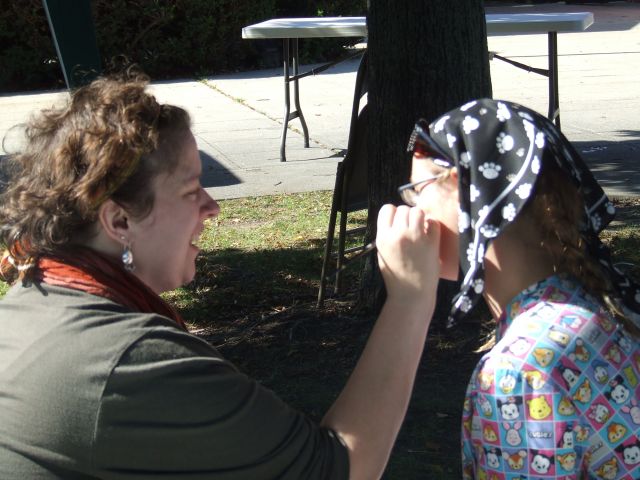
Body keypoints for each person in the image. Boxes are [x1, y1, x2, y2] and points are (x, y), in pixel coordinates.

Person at [0, 69, 441, 479]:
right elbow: (341, 469)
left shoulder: (30, 303)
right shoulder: (130, 362)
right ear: (119, 221)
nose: (211, 207)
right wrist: (410, 297)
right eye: (191, 189)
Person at [393, 98, 640, 479]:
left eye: (416, 190)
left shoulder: (521, 371)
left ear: (466, 192)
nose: (410, 210)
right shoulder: (605, 310)